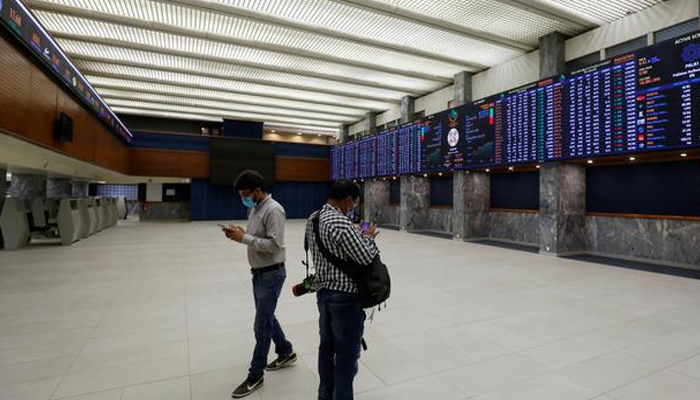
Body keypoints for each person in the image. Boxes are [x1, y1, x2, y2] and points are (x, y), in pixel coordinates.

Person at [223, 170, 296, 398]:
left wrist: (243, 238)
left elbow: (275, 245)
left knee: (261, 325)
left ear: (257, 190)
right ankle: (285, 351)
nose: (243, 198)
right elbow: (256, 237)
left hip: (272, 275)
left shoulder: (274, 209)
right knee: (267, 316)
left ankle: (256, 375)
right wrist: (240, 233)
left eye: (245, 194)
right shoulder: (254, 208)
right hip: (259, 273)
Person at [305, 180, 380, 400]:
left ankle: (325, 395)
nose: (354, 207)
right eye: (354, 203)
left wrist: (356, 237)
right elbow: (366, 257)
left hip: (324, 296)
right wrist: (368, 237)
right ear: (348, 200)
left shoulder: (313, 218)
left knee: (326, 351)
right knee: (346, 358)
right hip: (346, 299)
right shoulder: (340, 222)